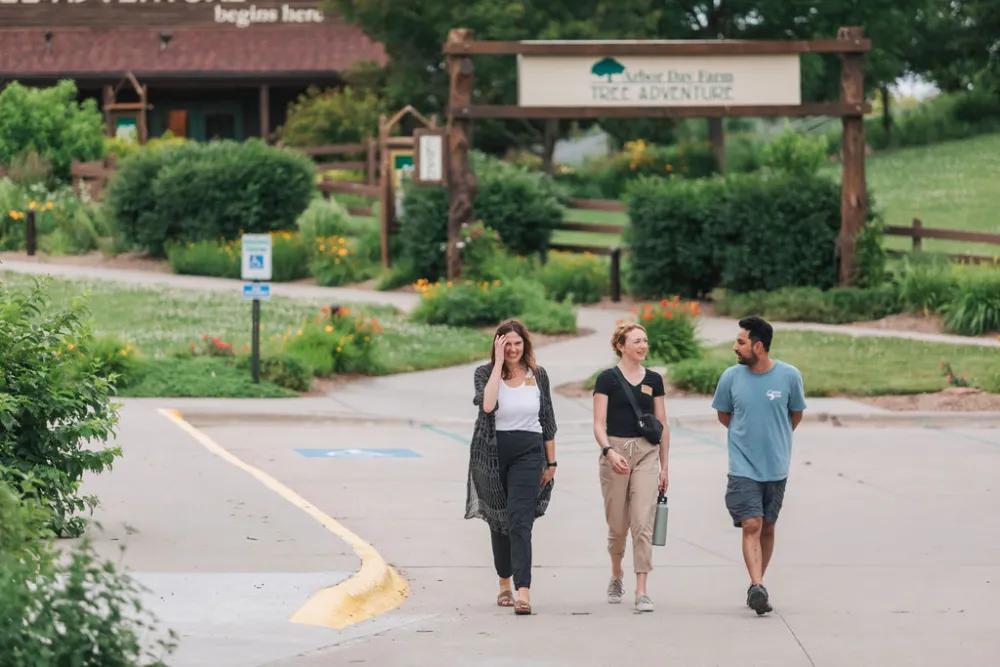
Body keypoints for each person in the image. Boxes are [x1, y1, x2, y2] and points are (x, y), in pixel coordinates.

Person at [711, 316, 806, 616]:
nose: (735, 347)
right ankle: (756, 585)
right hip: (742, 466)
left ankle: (758, 585)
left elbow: (795, 415)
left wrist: (775, 439)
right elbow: (724, 415)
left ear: (759, 346)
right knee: (752, 523)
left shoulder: (790, 376)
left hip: (777, 466)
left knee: (768, 526)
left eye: (741, 342)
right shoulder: (730, 378)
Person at [466, 319, 558, 616]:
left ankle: (523, 591)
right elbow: (489, 405)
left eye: (518, 344)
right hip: (492, 454)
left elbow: (547, 419)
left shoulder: (538, 375)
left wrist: (552, 460)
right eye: (507, 344)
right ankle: (503, 581)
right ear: (498, 345)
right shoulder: (483, 373)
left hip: (529, 454)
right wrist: (496, 365)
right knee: (499, 520)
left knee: (520, 521)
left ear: (525, 345)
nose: (514, 349)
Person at [592, 322, 670, 613]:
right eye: (636, 341)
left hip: (646, 454)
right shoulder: (607, 379)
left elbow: (663, 424)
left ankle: (642, 590)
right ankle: (616, 574)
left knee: (642, 522)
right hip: (615, 451)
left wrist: (664, 466)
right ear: (621, 346)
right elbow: (598, 424)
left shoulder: (654, 379)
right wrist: (608, 451)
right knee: (617, 524)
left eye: (645, 340)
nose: (643, 346)